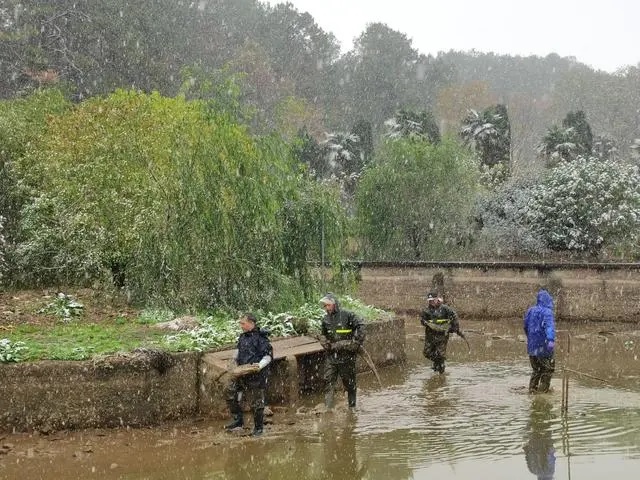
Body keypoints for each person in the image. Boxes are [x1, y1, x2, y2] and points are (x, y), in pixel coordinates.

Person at [224, 312, 273, 436]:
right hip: (241, 372)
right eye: (240, 323)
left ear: (251, 323)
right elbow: (238, 351)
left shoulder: (261, 338)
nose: (241, 325)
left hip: (256, 375)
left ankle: (258, 428)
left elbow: (268, 356)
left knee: (257, 402)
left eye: (243, 323)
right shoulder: (242, 337)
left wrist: (258, 366)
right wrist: (233, 361)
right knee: (229, 391)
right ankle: (238, 420)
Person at [318, 293, 366, 410]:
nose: (326, 308)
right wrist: (324, 342)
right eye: (325, 306)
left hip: (347, 357)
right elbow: (323, 334)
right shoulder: (325, 319)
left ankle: (352, 408)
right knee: (328, 382)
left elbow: (361, 326)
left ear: (334, 304)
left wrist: (355, 343)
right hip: (331, 357)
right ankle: (328, 409)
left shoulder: (347, 315)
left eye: (328, 305)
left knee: (350, 384)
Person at [420, 291, 461, 374]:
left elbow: (454, 316)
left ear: (437, 299)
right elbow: (423, 320)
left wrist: (454, 327)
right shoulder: (426, 310)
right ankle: (437, 363)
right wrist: (424, 322)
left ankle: (441, 373)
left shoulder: (445, 308)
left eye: (432, 300)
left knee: (440, 354)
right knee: (427, 353)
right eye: (429, 300)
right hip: (430, 335)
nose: (431, 302)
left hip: (442, 336)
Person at [524, 288, 556, 394]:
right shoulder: (547, 312)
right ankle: (543, 393)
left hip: (532, 347)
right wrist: (550, 340)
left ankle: (532, 390)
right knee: (548, 369)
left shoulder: (530, 311)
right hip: (544, 346)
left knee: (536, 370)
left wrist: (531, 339)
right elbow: (549, 327)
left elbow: (525, 326)